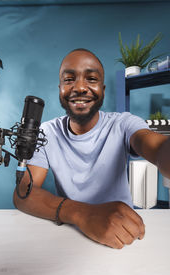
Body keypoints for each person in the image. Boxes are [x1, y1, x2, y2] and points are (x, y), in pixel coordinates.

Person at [13, 48, 170, 249]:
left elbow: (157, 147)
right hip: (71, 234)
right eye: (69, 80)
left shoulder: (123, 124)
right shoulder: (46, 133)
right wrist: (82, 214)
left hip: (125, 236)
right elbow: (23, 193)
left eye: (92, 79)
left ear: (103, 89)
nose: (80, 87)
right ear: (60, 89)